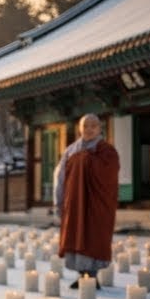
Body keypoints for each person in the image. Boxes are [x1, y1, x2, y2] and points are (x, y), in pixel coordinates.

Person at [53, 113, 120, 289]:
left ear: (99, 129)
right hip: (75, 202)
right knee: (76, 236)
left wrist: (88, 160)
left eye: (93, 126)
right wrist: (59, 200)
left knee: (94, 236)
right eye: (85, 126)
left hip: (97, 203)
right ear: (79, 129)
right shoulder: (71, 150)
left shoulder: (107, 151)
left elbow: (110, 175)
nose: (89, 129)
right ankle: (82, 274)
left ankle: (92, 275)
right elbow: (60, 177)